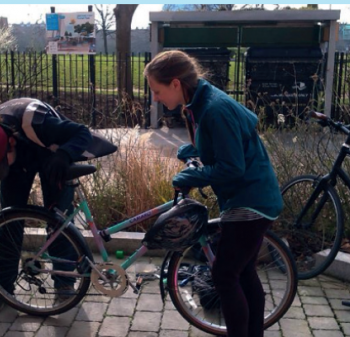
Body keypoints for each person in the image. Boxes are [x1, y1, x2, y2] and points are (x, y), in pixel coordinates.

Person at [144, 50, 283, 337]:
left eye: (156, 91)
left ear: (175, 83)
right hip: (251, 198)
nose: (155, 98)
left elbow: (232, 167)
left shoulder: (214, 109)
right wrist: (194, 152)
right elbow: (225, 147)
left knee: (224, 276)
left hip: (250, 202)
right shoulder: (200, 102)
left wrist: (190, 175)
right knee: (242, 273)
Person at [0, 97, 116, 306]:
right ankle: (4, 288)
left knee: (59, 222)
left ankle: (64, 285)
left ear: (11, 143)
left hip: (52, 156)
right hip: (19, 162)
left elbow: (82, 132)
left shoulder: (37, 121)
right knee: (9, 223)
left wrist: (64, 154)